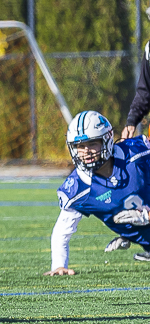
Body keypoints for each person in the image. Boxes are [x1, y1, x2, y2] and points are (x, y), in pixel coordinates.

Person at [45, 110, 150, 277]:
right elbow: (62, 230)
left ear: (107, 140)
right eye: (80, 146)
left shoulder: (138, 153)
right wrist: (59, 264)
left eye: (92, 143)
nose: (86, 151)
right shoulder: (78, 187)